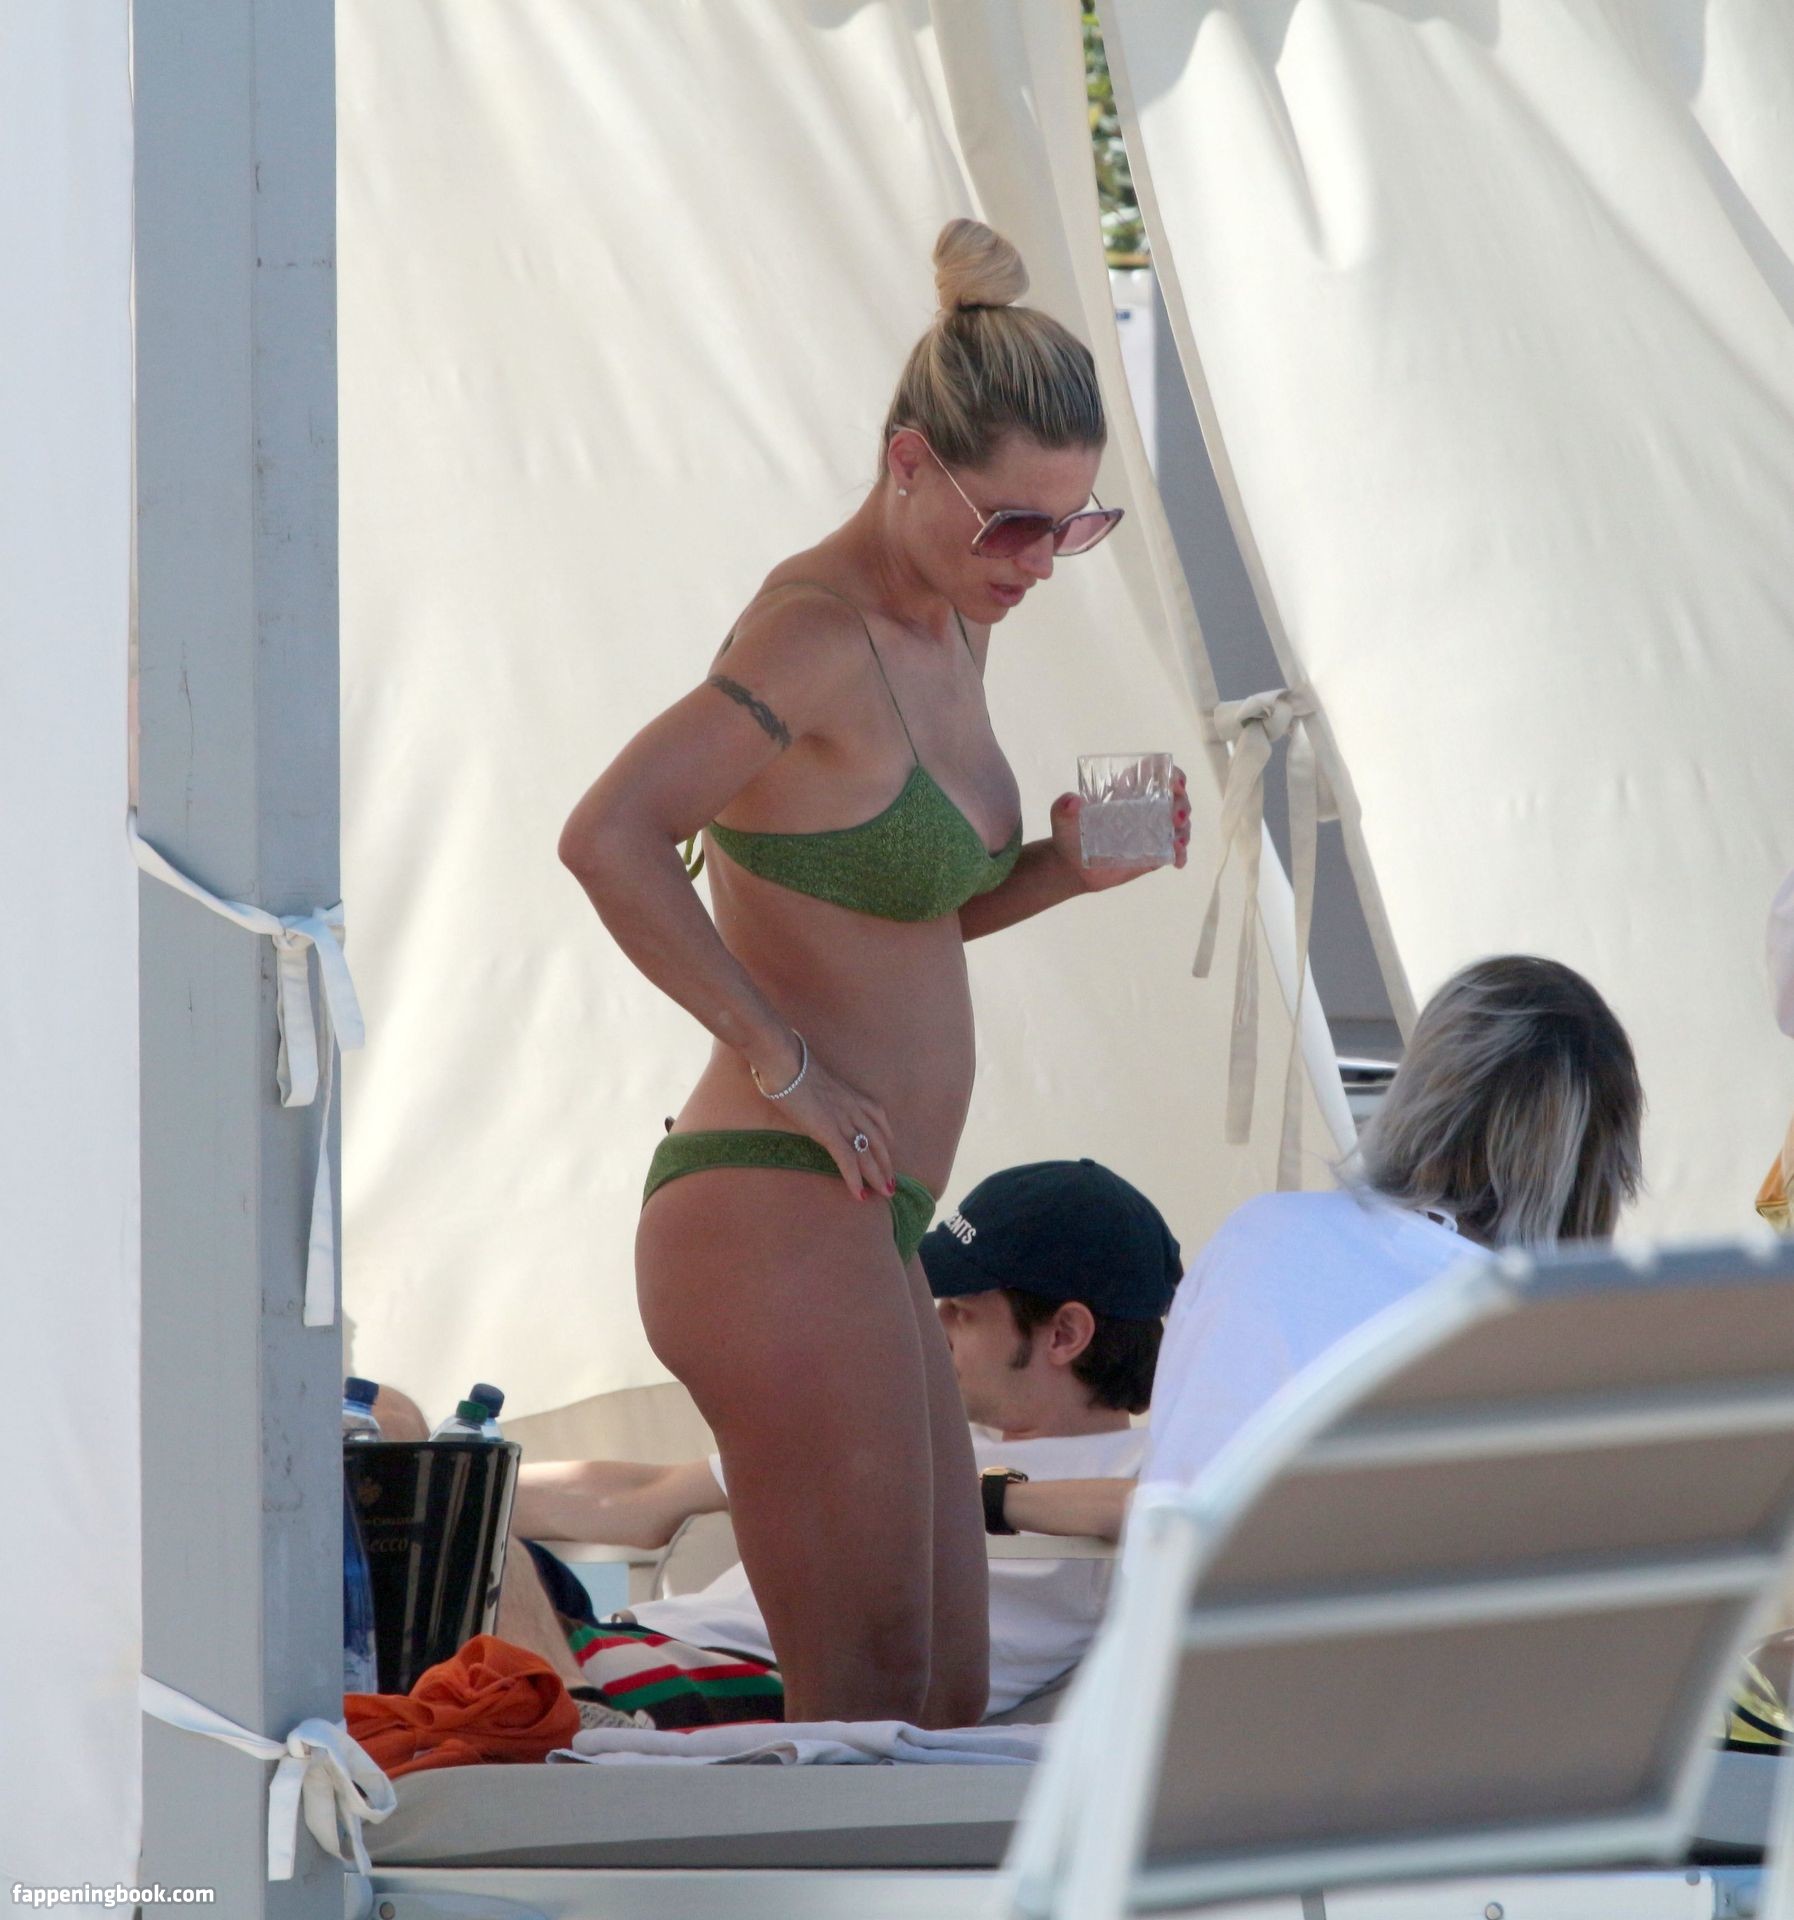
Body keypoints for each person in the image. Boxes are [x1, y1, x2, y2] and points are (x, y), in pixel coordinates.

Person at [554, 218, 1189, 1726]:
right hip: (769, 1198)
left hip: (866, 1213)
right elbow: (606, 835)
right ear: (909, 464)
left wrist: (1062, 869)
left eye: (1071, 528)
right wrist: (787, 1064)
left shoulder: (953, 619)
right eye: (1012, 525)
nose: (1037, 564)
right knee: (864, 1711)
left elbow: (898, 926)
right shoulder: (813, 635)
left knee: (940, 1703)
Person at [403, 1159, 1179, 1724]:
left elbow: (1172, 1509)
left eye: (962, 1312)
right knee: (437, 1528)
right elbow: (643, 1500)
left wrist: (975, 1497)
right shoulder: (907, 1428)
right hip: (630, 1648)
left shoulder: (1150, 1465)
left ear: (1065, 1335)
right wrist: (449, 1490)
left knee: (437, 1633)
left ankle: (554, 1718)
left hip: (766, 1685)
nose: (931, 1325)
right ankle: (550, 1707)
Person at [1144, 954, 1644, 1487]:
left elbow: (1181, 1480)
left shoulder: (1267, 1237)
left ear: (1423, 1092)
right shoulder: (1597, 1349)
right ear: (1605, 1162)